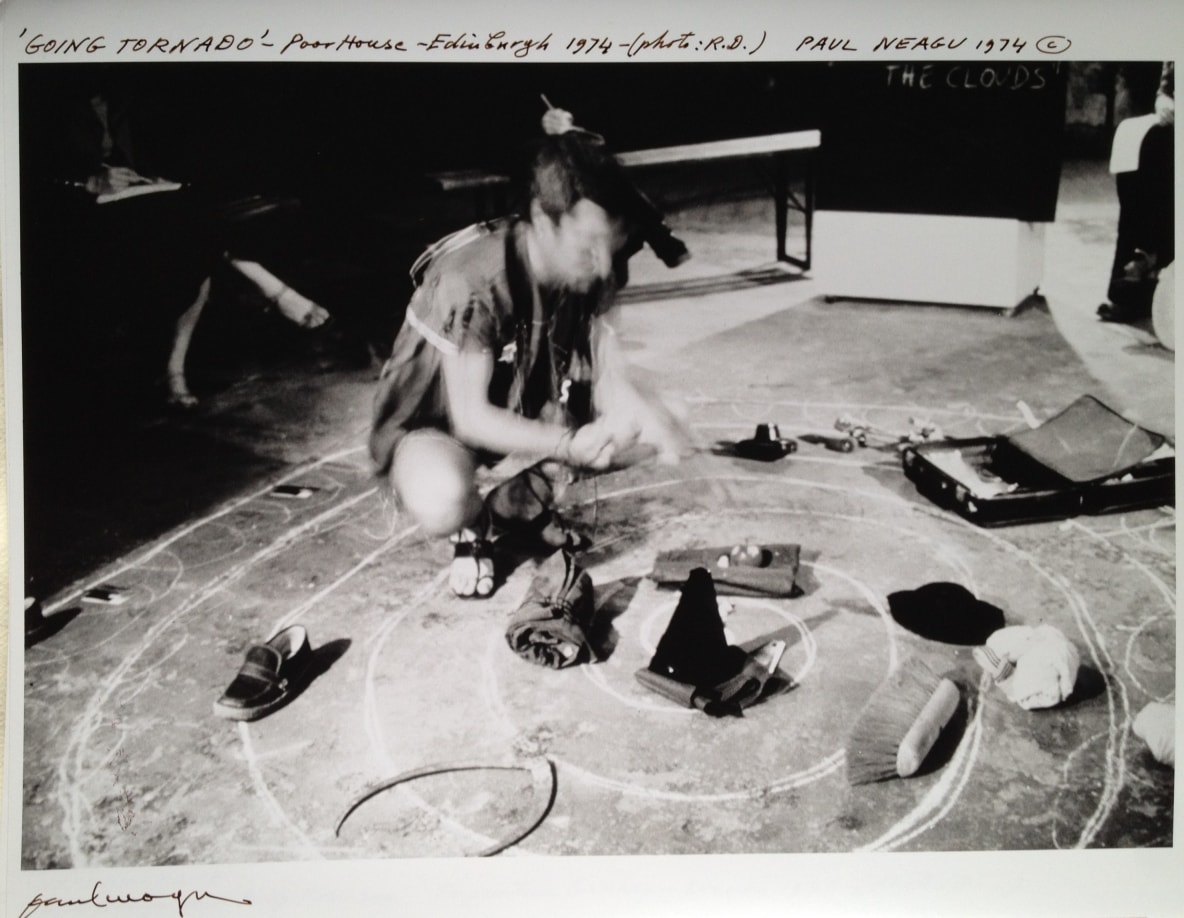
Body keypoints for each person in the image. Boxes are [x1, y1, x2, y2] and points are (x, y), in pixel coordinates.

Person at [370, 132, 692, 597]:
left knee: (660, 419)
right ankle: (473, 523)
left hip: (526, 400)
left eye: (611, 246)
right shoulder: (474, 280)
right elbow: (471, 418)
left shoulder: (594, 264)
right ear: (543, 220)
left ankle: (520, 501)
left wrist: (649, 417)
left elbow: (609, 374)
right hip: (438, 426)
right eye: (589, 246)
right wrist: (567, 443)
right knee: (441, 499)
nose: (604, 266)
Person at [32, 80, 330, 407]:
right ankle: (268, 288)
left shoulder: (121, 99)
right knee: (191, 228)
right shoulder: (43, 100)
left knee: (191, 226)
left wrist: (149, 177)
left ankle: (176, 370)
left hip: (132, 207)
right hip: (71, 217)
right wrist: (85, 182)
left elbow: (134, 157)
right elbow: (27, 176)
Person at [1097, 62, 1174, 326]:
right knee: (1137, 197)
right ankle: (1132, 290)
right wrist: (1165, 93)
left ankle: (1151, 284)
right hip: (1154, 102)